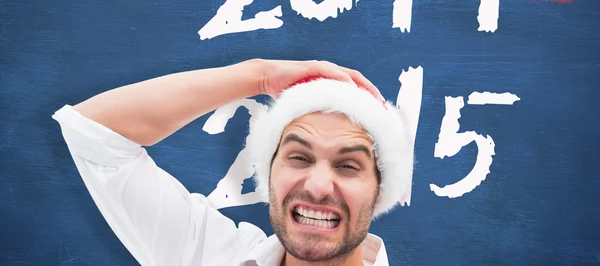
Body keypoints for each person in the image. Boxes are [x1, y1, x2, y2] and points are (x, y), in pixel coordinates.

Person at [53, 59, 415, 266]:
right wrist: (261, 75)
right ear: (269, 172)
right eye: (299, 157)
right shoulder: (209, 255)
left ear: (380, 189)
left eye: (348, 166)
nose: (318, 186)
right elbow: (94, 133)